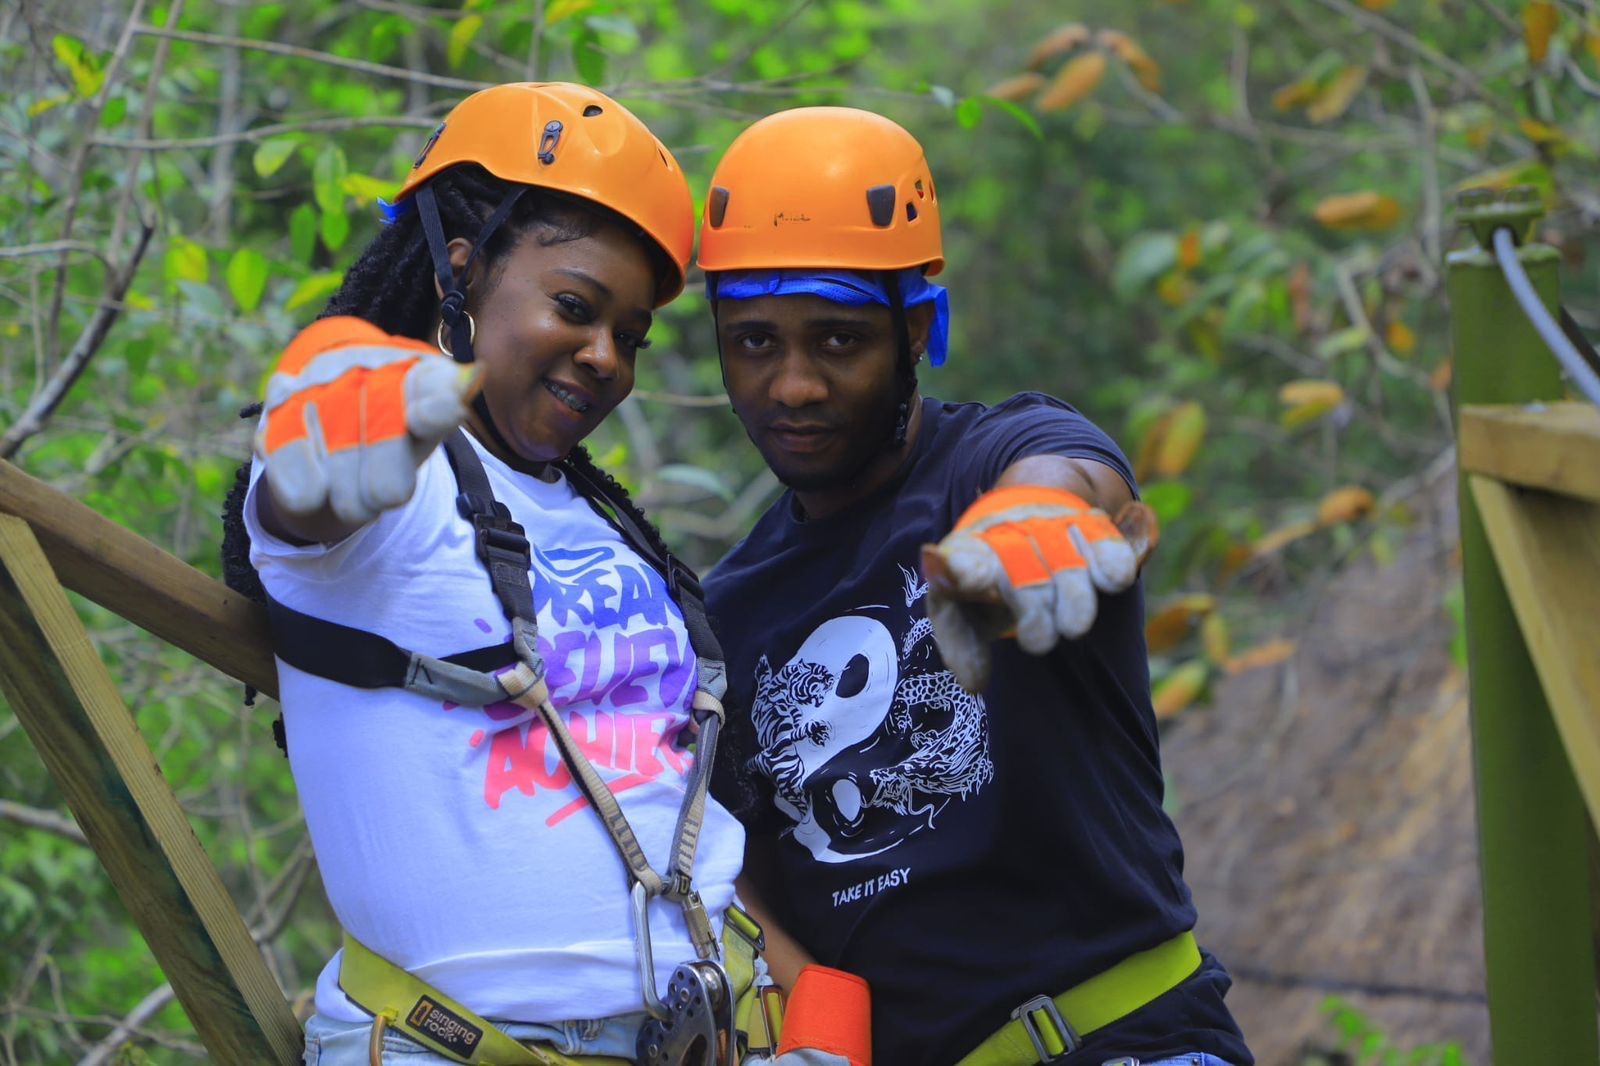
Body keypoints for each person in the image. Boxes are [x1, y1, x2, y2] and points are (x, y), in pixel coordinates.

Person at [222, 83, 862, 1066]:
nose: (605, 355)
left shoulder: (612, 528)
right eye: (575, 306)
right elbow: (305, 507)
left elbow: (657, 792)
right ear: (463, 271)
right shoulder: (393, 486)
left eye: (632, 335)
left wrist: (822, 1013)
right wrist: (324, 439)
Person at [699, 107, 1254, 1066]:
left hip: (1133, 1038)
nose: (791, 385)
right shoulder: (725, 616)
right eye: (754, 342)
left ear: (917, 327)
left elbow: (1072, 477)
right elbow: (727, 874)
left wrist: (1030, 525)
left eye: (836, 341)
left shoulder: (992, 461)